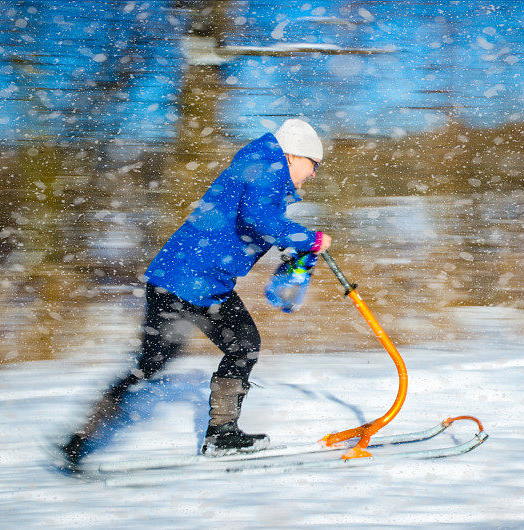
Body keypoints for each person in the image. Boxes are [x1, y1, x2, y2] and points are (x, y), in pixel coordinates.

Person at [58, 118, 331, 470]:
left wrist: (295, 251)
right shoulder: (269, 168)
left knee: (159, 361)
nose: (313, 174)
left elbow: (252, 225)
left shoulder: (261, 167)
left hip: (188, 279)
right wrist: (309, 239)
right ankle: (219, 434)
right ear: (295, 156)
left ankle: (82, 439)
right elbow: (258, 221)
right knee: (230, 347)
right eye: (314, 165)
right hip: (191, 281)